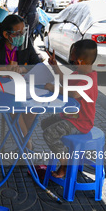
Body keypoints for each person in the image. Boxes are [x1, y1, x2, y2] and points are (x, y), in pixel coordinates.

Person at [0, 14, 40, 150]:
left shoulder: (26, 44)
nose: (22, 35)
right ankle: (26, 146)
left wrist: (23, 68)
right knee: (13, 107)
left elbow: (37, 64)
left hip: (22, 87)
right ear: (6, 34)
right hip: (0, 89)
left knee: (32, 110)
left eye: (23, 31)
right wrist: (2, 69)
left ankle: (23, 142)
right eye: (18, 33)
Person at [42, 39, 98, 178]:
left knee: (49, 134)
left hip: (81, 122)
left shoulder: (89, 79)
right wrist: (55, 66)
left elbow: (74, 93)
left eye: (71, 60)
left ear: (79, 62)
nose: (70, 62)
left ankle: (66, 163)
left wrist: (53, 88)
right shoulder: (79, 73)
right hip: (70, 116)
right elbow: (65, 82)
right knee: (45, 123)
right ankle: (66, 152)